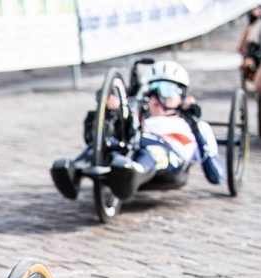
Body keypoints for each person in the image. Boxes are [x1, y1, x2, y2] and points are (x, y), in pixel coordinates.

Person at [50, 60, 225, 203]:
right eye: (153, 89)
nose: (158, 97)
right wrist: (112, 111)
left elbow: (216, 176)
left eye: (167, 89)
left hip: (166, 151)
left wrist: (194, 123)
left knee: (152, 153)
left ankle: (132, 173)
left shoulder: (194, 125)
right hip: (133, 143)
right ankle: (74, 171)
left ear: (182, 95)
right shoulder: (140, 116)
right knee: (108, 144)